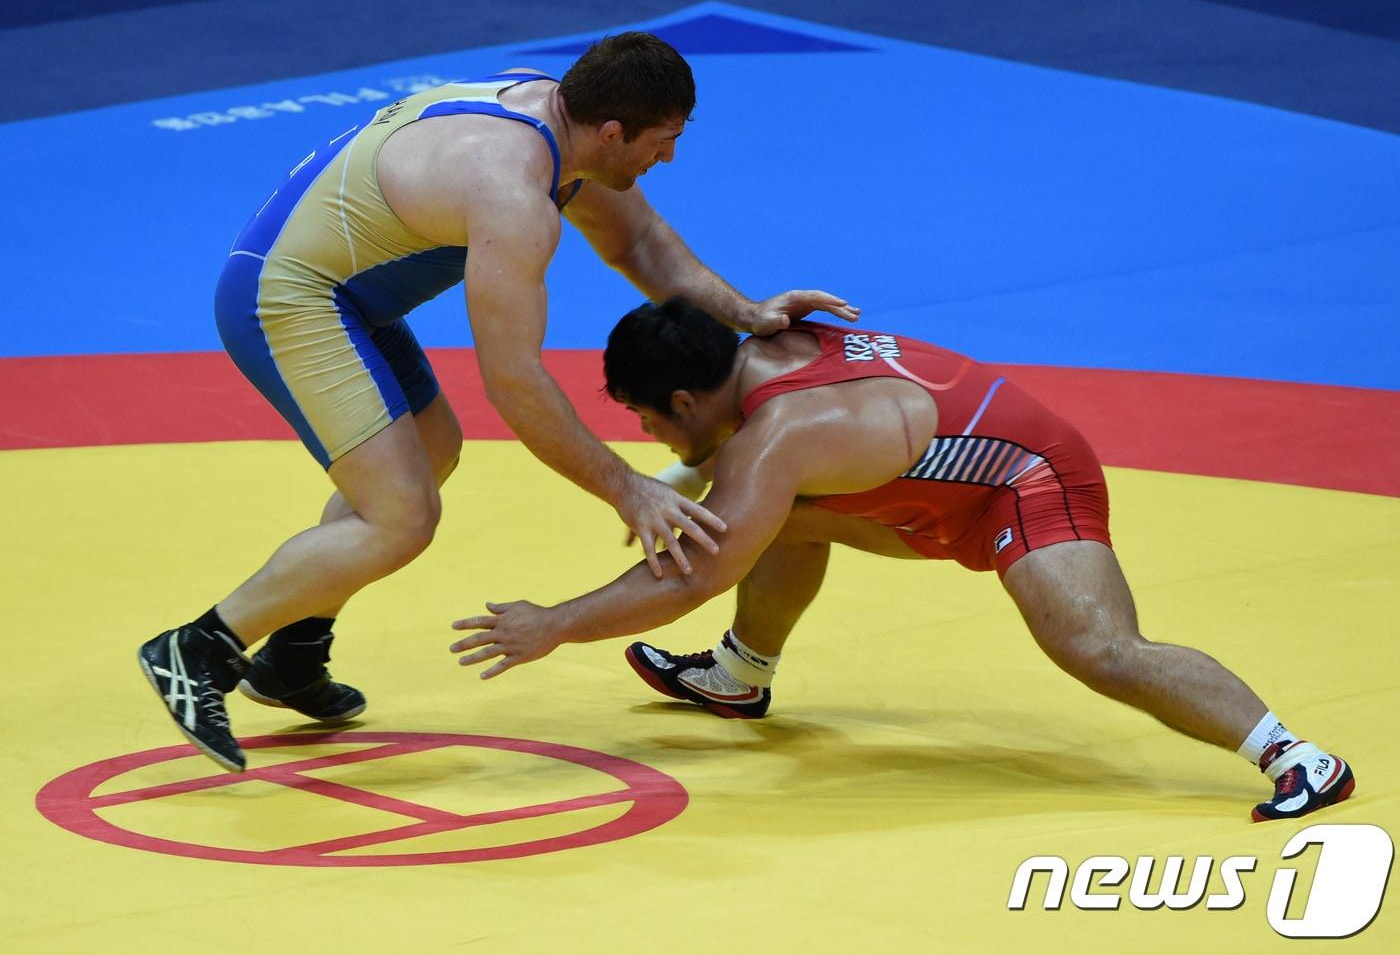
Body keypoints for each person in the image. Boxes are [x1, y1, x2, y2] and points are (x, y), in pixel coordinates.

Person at [137, 33, 857, 773]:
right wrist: (628, 490)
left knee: (430, 454)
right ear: (613, 131)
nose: (665, 160)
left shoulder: (557, 118)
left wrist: (750, 313)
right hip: (289, 296)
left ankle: (293, 653)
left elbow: (640, 241)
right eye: (662, 142)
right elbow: (513, 383)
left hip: (347, 296)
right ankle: (199, 649)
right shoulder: (514, 193)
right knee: (401, 517)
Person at [450, 297, 1356, 823]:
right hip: (944, 475)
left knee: (1100, 649)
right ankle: (739, 675)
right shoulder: (761, 339)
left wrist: (554, 626)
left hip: (1023, 480)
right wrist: (676, 468)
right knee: (780, 518)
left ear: (686, 395)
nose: (648, 435)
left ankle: (1295, 757)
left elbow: (698, 570)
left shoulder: (783, 438)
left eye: (648, 418)